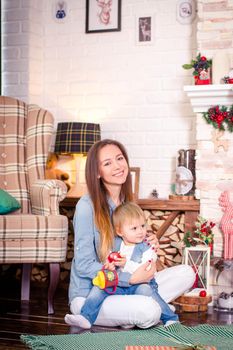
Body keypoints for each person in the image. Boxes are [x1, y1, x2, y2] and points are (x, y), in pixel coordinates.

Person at [65, 139, 195, 329]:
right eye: (107, 163)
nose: (117, 166)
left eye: (120, 158)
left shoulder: (127, 202)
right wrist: (130, 279)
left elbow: (130, 250)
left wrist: (147, 243)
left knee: (187, 273)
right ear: (97, 172)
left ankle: (130, 314)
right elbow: (84, 266)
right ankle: (141, 311)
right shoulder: (86, 206)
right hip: (93, 295)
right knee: (149, 310)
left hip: (130, 287)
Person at [65, 202, 179, 329]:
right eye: (134, 228)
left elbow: (145, 270)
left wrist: (126, 264)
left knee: (147, 290)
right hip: (119, 284)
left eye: (142, 226)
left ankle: (170, 318)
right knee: (100, 287)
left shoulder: (147, 247)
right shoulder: (115, 244)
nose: (141, 231)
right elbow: (107, 260)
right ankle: (86, 317)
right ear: (120, 231)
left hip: (139, 285)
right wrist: (109, 265)